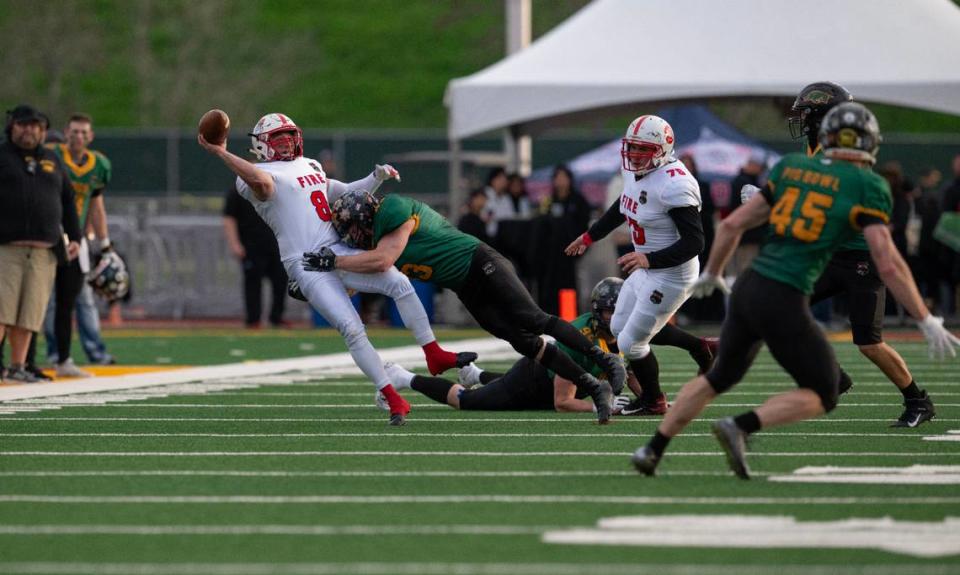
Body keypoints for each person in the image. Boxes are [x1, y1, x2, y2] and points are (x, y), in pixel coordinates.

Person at [633, 102, 960, 480]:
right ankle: (740, 426)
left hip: (750, 286)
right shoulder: (869, 185)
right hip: (784, 295)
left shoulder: (791, 167)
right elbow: (889, 262)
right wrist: (925, 318)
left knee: (717, 377)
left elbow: (731, 225)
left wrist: (714, 273)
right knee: (823, 393)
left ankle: (652, 448)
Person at [197, 112, 473, 425]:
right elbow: (262, 184)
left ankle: (433, 352)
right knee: (351, 327)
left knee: (399, 283)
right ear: (261, 145)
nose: (286, 143)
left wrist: (376, 178)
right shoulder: (251, 175)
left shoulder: (310, 164)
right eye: (278, 138)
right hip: (305, 263)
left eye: (289, 135)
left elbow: (342, 191)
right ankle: (392, 396)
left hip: (337, 249)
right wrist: (220, 151)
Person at [301, 190, 626, 424]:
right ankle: (592, 388)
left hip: (480, 261)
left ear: (364, 216)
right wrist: (315, 285)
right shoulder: (373, 242)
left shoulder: (392, 209)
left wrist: (336, 260)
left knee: (534, 318)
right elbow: (363, 278)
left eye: (353, 230)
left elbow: (384, 259)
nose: (353, 238)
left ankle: (604, 361)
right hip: (465, 285)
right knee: (524, 343)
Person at [785, 82, 937, 427]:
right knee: (781, 309)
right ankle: (833, 376)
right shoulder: (815, 149)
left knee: (868, 343)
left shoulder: (847, 154)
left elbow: (831, 201)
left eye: (807, 115)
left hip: (861, 260)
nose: (802, 121)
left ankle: (918, 399)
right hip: (830, 255)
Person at [388, 277, 715, 414]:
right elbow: (563, 402)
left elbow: (628, 370)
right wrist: (610, 406)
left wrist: (648, 399)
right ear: (598, 310)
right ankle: (404, 378)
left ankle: (474, 372)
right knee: (465, 402)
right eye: (612, 311)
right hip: (532, 383)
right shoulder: (580, 338)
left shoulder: (620, 332)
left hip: (557, 383)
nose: (619, 317)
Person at [564, 115, 705, 416]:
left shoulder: (674, 184)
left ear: (663, 149)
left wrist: (647, 258)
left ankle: (653, 400)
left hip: (672, 272)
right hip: (648, 267)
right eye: (632, 148)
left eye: (643, 149)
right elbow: (623, 205)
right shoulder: (636, 172)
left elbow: (694, 243)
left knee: (630, 343)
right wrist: (591, 236)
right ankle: (702, 347)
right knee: (617, 325)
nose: (635, 155)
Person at [0, 104, 81, 383]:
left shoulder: (51, 159)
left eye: (35, 126)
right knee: (2, 311)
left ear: (44, 131)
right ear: (12, 127)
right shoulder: (2, 156)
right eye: (24, 125)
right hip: (6, 247)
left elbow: (68, 200)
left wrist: (76, 237)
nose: (29, 130)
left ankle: (17, 367)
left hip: (44, 249)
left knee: (29, 314)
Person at [42, 113, 116, 376]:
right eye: (74, 131)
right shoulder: (51, 156)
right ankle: (53, 354)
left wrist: (105, 244)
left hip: (77, 239)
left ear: (91, 136)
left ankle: (93, 352)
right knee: (47, 301)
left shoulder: (99, 165)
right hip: (47, 237)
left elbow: (96, 204)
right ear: (66, 133)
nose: (79, 137)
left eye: (84, 132)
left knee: (82, 299)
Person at [223, 184, 288, 328]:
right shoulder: (237, 191)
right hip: (250, 245)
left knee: (281, 280)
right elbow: (229, 218)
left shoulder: (274, 187)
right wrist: (234, 243)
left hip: (276, 245)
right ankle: (253, 319)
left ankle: (276, 318)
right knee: (253, 283)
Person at [534, 165, 592, 314]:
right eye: (557, 178)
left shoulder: (578, 201)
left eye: (563, 177)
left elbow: (585, 227)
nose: (560, 181)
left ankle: (569, 318)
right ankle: (548, 317)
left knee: (569, 288)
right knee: (549, 287)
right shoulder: (548, 201)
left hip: (571, 255)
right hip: (550, 257)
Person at [725, 151, 767, 277]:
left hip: (744, 235)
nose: (761, 170)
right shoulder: (743, 182)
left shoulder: (747, 180)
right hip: (746, 235)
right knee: (746, 273)